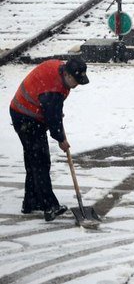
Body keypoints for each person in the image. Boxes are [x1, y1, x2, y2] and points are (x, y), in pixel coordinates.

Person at [10, 58, 89, 221]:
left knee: (34, 160)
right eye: (75, 81)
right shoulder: (54, 90)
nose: (76, 85)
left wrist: (53, 110)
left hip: (25, 112)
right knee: (40, 162)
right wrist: (61, 139)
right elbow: (52, 118)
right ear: (66, 74)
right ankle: (49, 206)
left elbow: (52, 108)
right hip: (26, 118)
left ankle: (31, 202)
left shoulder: (59, 72)